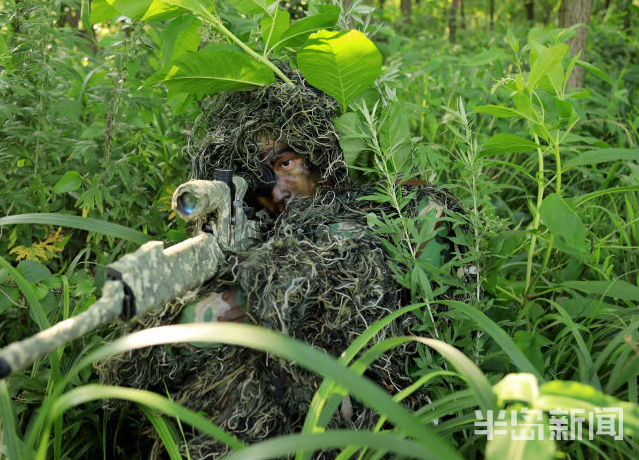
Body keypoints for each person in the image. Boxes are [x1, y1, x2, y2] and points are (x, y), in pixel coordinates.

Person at [98, 68, 467, 459]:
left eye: (285, 163)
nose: (274, 190)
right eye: (256, 174)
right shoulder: (264, 225)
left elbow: (321, 267)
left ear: (322, 153)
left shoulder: (405, 209)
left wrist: (228, 298)